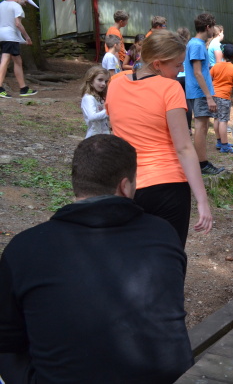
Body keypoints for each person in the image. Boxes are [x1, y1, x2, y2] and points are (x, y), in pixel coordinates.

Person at [0, 135, 193, 383]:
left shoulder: (24, 247)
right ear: (125, 186)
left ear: (76, 184)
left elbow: (7, 339)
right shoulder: (162, 233)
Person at [107, 30, 214, 247]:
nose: (181, 70)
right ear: (157, 64)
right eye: (177, 65)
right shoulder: (170, 88)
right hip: (168, 187)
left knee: (131, 254)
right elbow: (184, 148)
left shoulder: (115, 84)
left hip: (126, 185)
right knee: (168, 255)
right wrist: (202, 200)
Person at [183, 12, 224, 175]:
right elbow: (197, 72)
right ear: (207, 27)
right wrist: (208, 97)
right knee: (201, 127)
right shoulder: (197, 45)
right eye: (213, 27)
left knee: (203, 126)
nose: (214, 30)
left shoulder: (196, 43)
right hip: (200, 92)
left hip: (199, 91)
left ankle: (201, 161)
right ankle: (201, 164)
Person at [0, 0, 37, 98]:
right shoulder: (16, 6)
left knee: (18, 61)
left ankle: (23, 88)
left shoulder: (1, 4)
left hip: (2, 35)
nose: (25, 4)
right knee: (5, 60)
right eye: (25, 2)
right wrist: (27, 37)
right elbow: (18, 24)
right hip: (10, 36)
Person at [209, 43, 233, 154]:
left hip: (214, 96)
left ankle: (219, 141)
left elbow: (209, 78)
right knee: (223, 121)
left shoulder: (216, 66)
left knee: (216, 119)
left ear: (222, 55)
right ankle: (224, 145)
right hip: (224, 97)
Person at [80, 65, 110, 138]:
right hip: (94, 137)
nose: (103, 84)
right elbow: (92, 116)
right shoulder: (88, 98)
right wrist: (108, 111)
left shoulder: (99, 98)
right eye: (100, 80)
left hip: (103, 136)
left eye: (106, 81)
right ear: (90, 81)